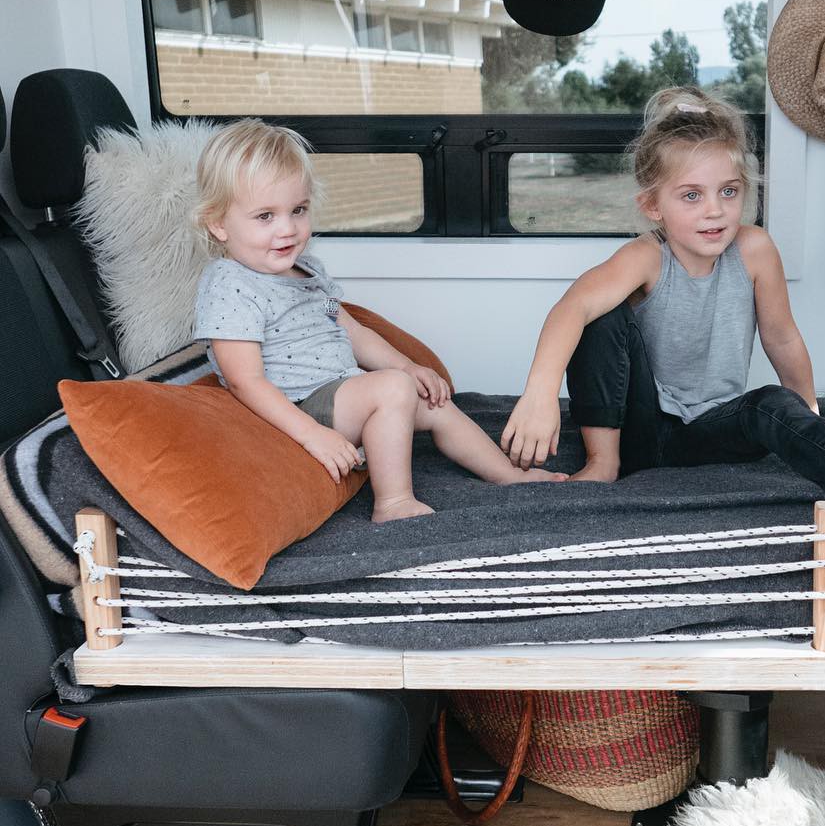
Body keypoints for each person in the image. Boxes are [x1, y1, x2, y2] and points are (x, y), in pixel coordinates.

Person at [501, 86, 825, 536]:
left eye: (728, 191)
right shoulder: (646, 257)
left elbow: (782, 337)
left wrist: (808, 417)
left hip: (712, 431)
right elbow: (572, 306)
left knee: (772, 402)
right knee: (598, 312)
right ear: (653, 206)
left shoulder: (755, 250)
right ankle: (602, 462)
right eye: (692, 195)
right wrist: (540, 394)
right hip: (640, 430)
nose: (715, 210)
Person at [193, 119, 564, 523]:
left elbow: (351, 330)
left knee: (431, 401)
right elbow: (246, 381)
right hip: (298, 407)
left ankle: (507, 475)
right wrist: (312, 434)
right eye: (265, 216)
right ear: (218, 223)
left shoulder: (307, 270)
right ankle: (393, 502)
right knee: (391, 389)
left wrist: (407, 366)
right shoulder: (230, 284)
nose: (287, 229)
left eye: (298, 210)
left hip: (340, 393)